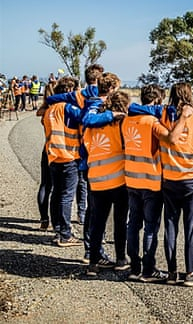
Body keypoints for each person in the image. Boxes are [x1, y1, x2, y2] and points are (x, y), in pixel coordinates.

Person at [123, 84, 185, 283]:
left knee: (133, 223)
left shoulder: (126, 121)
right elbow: (170, 139)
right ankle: (148, 270)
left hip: (131, 179)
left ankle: (134, 267)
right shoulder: (152, 122)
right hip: (151, 180)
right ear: (158, 100)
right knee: (150, 226)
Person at [160, 82, 193, 287]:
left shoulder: (161, 115)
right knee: (191, 228)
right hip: (191, 179)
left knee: (170, 226)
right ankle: (190, 273)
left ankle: (171, 272)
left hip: (169, 179)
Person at [82, 85, 130, 276]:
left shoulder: (92, 127)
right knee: (120, 221)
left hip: (96, 179)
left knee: (97, 223)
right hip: (118, 180)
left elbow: (85, 149)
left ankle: (93, 262)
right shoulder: (121, 125)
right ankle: (120, 259)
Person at [42, 76, 82, 247]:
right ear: (69, 91)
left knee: (56, 193)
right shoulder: (68, 108)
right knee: (67, 196)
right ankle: (65, 234)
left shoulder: (50, 109)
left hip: (53, 156)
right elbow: (85, 119)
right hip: (69, 155)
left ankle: (57, 230)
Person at [36, 81, 56, 231]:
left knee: (45, 185)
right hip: (60, 152)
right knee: (58, 189)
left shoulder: (45, 110)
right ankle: (58, 223)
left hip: (46, 148)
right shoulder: (60, 109)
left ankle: (44, 219)